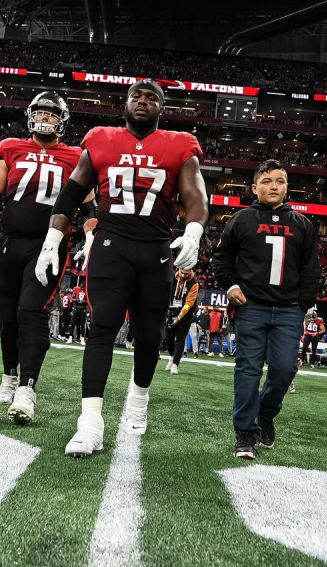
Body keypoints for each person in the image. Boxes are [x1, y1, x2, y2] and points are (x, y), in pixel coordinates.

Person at [43, 79, 208, 457]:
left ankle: (138, 399)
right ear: (126, 102)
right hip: (111, 245)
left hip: (155, 250)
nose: (143, 102)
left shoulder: (179, 144)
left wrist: (195, 230)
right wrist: (53, 238)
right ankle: (89, 423)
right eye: (137, 96)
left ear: (161, 109)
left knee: (150, 336)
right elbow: (70, 194)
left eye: (152, 98)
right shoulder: (101, 138)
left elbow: (196, 195)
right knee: (102, 327)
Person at [0, 92, 95, 422]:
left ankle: (28, 387)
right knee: (9, 314)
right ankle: (9, 376)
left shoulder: (75, 155)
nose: (45, 119)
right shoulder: (11, 147)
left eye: (52, 114)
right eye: (40, 112)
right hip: (10, 242)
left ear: (62, 121)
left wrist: (92, 234)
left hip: (50, 244)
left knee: (32, 311)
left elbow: (89, 207)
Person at [210, 158, 320, 459]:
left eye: (280, 181)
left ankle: (267, 413)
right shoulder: (241, 219)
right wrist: (231, 286)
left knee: (285, 370)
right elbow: (220, 259)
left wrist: (303, 304)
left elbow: (311, 269)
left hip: (288, 311)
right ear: (254, 186)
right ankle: (244, 432)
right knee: (248, 369)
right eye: (268, 181)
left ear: (287, 186)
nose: (274, 186)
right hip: (252, 307)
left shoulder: (302, 224)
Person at [165, 267, 200, 375]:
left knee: (180, 339)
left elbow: (189, 303)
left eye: (186, 273)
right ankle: (172, 357)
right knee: (168, 338)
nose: (183, 275)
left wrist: (179, 317)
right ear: (178, 269)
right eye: (182, 273)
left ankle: (175, 364)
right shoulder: (172, 277)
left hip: (186, 313)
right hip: (172, 310)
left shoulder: (194, 283)